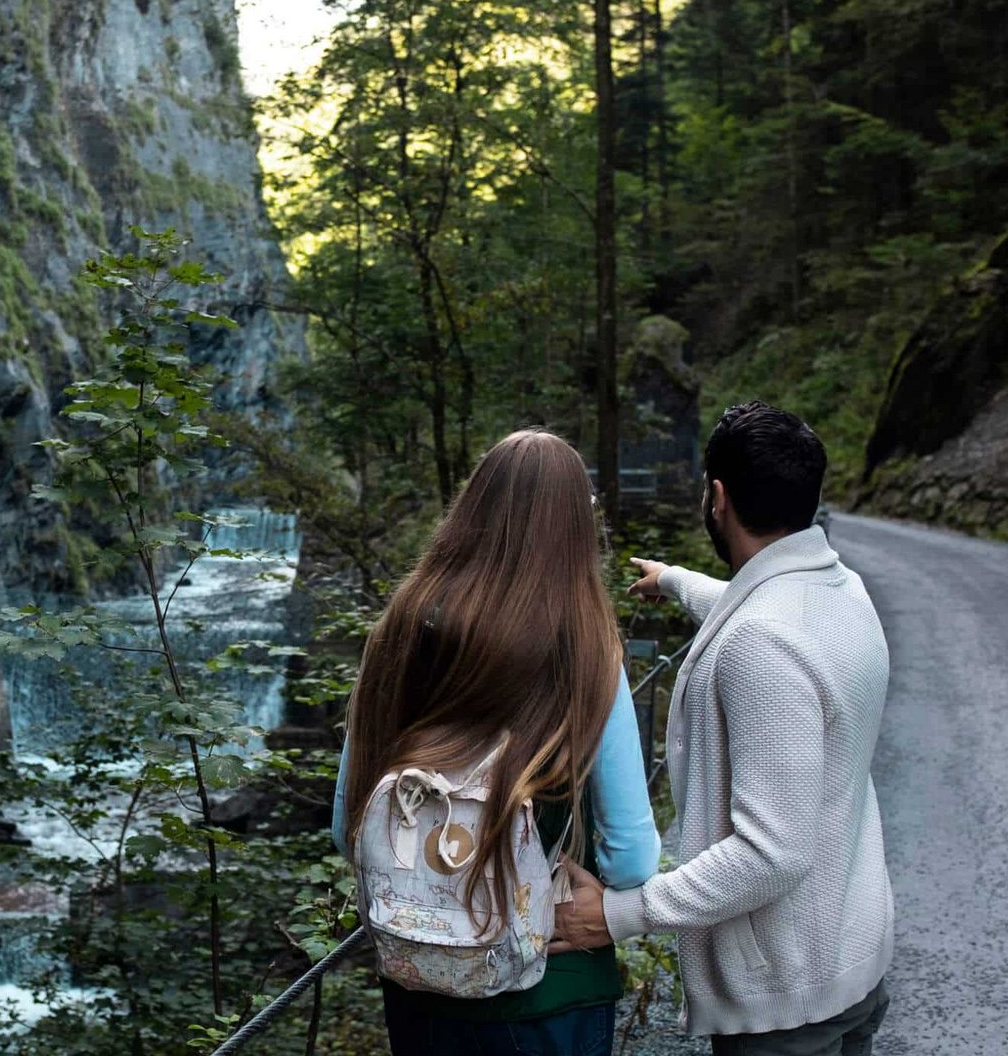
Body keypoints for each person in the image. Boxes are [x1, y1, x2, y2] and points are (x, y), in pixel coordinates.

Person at [551, 402, 895, 1056]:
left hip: (788, 1007)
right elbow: (760, 608)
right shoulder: (840, 591)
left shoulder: (761, 646)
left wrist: (622, 915)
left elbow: (772, 853)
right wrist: (676, 582)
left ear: (717, 498)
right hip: (850, 958)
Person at [332, 429, 661, 1055]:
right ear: (575, 533)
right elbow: (632, 860)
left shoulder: (396, 634)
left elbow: (346, 822)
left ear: (469, 512)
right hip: (550, 988)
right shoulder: (588, 653)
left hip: (421, 977)